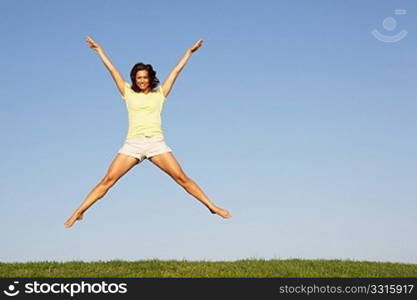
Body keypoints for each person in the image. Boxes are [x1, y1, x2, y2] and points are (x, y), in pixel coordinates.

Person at [64, 36, 231, 228]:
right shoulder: (127, 92)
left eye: (145, 77)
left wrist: (189, 53)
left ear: (150, 78)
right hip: (133, 144)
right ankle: (79, 211)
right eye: (138, 78)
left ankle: (211, 206)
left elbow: (176, 71)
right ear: (134, 79)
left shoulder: (160, 93)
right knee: (107, 180)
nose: (142, 80)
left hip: (156, 143)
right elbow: (112, 70)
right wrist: (99, 50)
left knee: (181, 178)